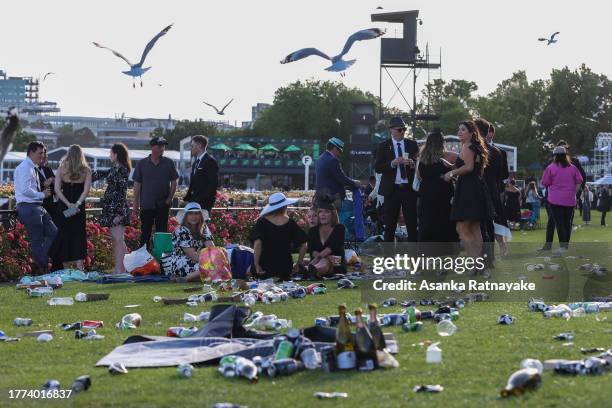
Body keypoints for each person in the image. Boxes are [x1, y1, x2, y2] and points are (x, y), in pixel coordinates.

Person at [444, 121, 492, 264]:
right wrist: (449, 165)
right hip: (475, 187)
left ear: (471, 133)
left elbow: (469, 167)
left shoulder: (469, 146)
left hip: (468, 189)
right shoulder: (474, 146)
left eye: (463, 130)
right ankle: (480, 262)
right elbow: (468, 166)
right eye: (458, 129)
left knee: (462, 228)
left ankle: (475, 262)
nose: (459, 132)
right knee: (474, 228)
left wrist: (452, 173)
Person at [375, 116, 420, 242]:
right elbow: (378, 167)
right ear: (391, 130)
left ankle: (415, 257)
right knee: (390, 225)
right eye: (399, 130)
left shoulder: (412, 144)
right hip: (392, 190)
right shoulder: (383, 146)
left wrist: (412, 163)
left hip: (408, 190)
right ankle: (388, 258)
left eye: (404, 129)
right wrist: (392, 163)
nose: (402, 132)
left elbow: (419, 163)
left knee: (412, 224)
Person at [14, 141, 57, 274]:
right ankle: (42, 268)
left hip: (36, 206)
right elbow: (25, 190)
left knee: (53, 232)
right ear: (31, 152)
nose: (42, 156)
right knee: (37, 240)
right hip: (29, 207)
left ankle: (40, 264)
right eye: (40, 153)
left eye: (43, 153)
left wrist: (40, 195)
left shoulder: (31, 167)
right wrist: (42, 194)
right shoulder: (25, 168)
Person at [416, 128, 459, 251]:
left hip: (426, 195)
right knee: (445, 224)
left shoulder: (422, 158)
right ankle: (446, 253)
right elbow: (458, 168)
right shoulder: (448, 157)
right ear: (441, 142)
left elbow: (419, 176)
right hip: (443, 195)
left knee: (426, 225)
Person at [249, 192, 308, 281]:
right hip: (285, 268)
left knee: (248, 270)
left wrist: (257, 264)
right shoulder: (290, 223)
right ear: (285, 206)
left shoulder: (262, 222)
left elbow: (258, 244)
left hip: (264, 268)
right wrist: (298, 265)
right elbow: (304, 245)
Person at [133, 136, 179, 248]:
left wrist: (168, 200)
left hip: (163, 205)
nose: (162, 148)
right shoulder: (142, 164)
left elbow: (174, 182)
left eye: (163, 146)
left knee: (162, 234)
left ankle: (161, 261)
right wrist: (135, 203)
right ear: (153, 147)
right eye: (160, 145)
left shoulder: (169, 163)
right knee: (145, 234)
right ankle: (144, 261)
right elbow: (137, 185)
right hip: (146, 205)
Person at [93, 143, 132, 274]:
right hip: (111, 208)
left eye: (111, 153)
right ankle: (123, 268)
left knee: (118, 240)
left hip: (117, 209)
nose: (110, 155)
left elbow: (123, 192)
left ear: (116, 154)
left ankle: (120, 269)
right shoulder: (115, 168)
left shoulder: (122, 170)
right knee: (118, 240)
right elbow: (100, 174)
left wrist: (120, 214)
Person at [541, 140, 586, 250]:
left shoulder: (550, 168)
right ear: (566, 155)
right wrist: (574, 192)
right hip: (570, 199)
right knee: (567, 223)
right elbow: (580, 181)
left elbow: (545, 183)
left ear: (555, 156)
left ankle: (562, 247)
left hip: (555, 200)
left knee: (559, 223)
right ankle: (565, 246)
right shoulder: (573, 168)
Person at [53, 144, 92, 271]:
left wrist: (67, 204)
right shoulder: (86, 170)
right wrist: (77, 204)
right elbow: (86, 191)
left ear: (68, 154)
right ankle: (80, 267)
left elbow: (57, 189)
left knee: (64, 236)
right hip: (78, 209)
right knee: (78, 236)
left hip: (63, 208)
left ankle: (65, 269)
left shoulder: (61, 168)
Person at [475, 119, 509, 260]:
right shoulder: (497, 151)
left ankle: (494, 250)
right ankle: (488, 254)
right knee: (489, 223)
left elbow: (504, 174)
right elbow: (503, 174)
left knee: (490, 222)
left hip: (487, 190)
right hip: (493, 189)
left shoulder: (493, 151)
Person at [163, 202, 214, 282]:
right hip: (181, 260)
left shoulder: (204, 228)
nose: (194, 217)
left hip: (199, 259)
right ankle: (187, 278)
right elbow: (191, 254)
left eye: (196, 214)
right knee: (210, 268)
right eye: (190, 214)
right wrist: (210, 262)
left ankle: (189, 278)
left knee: (213, 267)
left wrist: (214, 259)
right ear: (186, 216)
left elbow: (211, 248)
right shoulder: (181, 230)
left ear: (200, 216)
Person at [36, 147, 63, 272]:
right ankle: (41, 266)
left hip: (52, 209)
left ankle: (54, 266)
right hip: (39, 208)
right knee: (42, 238)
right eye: (42, 155)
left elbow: (56, 185)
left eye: (45, 156)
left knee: (54, 236)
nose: (44, 158)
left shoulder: (47, 169)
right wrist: (43, 185)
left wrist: (53, 181)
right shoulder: (31, 170)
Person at [314, 137, 360, 209]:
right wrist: (354, 183)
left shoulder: (320, 159)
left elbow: (328, 178)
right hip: (331, 198)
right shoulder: (333, 160)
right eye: (340, 150)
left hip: (321, 197)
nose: (340, 153)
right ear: (335, 148)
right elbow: (341, 178)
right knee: (333, 219)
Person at [307, 198, 346, 278]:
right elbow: (312, 250)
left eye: (326, 212)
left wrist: (320, 257)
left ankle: (311, 271)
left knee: (324, 261)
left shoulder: (339, 228)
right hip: (318, 260)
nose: (323, 214)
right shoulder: (313, 230)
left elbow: (332, 247)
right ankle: (308, 270)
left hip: (337, 261)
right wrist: (321, 257)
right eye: (320, 212)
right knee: (304, 261)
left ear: (333, 215)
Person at [184, 135, 219, 212]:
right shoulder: (196, 163)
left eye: (192, 145)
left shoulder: (210, 161)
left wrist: (202, 201)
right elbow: (193, 183)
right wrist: (188, 198)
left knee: (202, 224)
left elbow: (212, 185)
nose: (191, 148)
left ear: (199, 145)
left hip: (204, 204)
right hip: (194, 202)